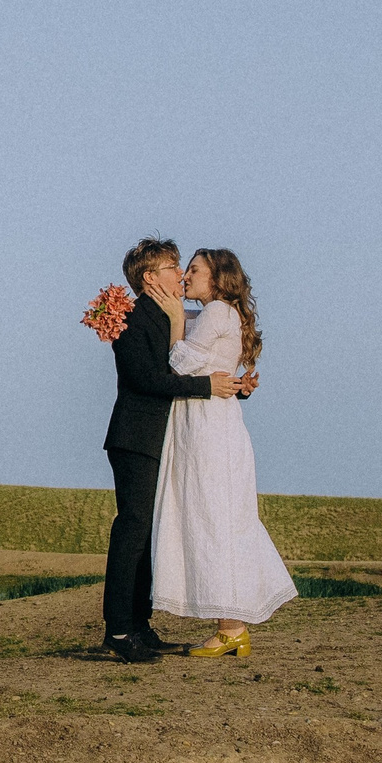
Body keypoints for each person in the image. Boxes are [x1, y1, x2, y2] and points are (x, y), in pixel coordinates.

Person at [101, 236, 252, 664]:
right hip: (136, 439)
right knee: (131, 529)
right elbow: (150, 379)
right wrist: (208, 386)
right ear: (150, 278)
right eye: (172, 267)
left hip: (163, 441)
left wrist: (233, 388)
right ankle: (118, 629)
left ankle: (140, 625)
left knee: (145, 532)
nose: (181, 275)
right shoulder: (130, 319)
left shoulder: (171, 316)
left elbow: (200, 363)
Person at [150, 247, 297, 655]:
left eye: (193, 270)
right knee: (218, 517)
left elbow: (180, 363)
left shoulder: (215, 312)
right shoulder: (220, 314)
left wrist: (177, 319)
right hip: (215, 423)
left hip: (206, 428)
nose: (186, 277)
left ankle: (232, 627)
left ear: (216, 278)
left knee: (211, 518)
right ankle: (231, 625)